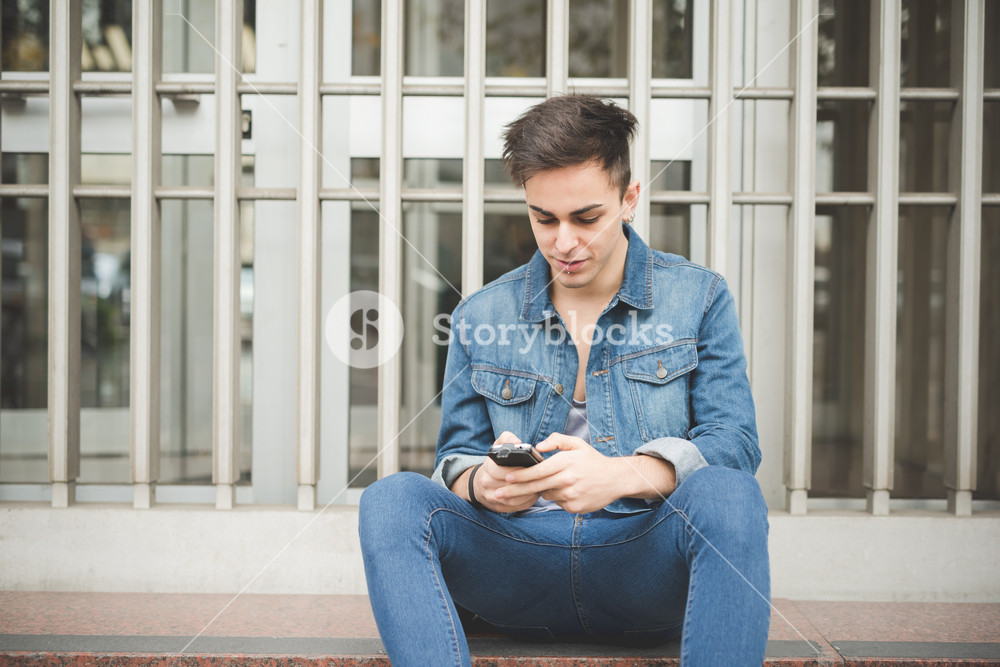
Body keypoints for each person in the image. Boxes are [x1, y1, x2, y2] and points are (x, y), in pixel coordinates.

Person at [359, 95, 770, 667]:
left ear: (630, 200)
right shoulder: (482, 313)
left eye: (586, 217)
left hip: (641, 565)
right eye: (543, 218)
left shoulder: (698, 297)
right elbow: (454, 456)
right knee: (391, 499)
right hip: (516, 565)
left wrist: (623, 474)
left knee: (730, 494)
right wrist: (482, 484)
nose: (563, 243)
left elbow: (735, 445)